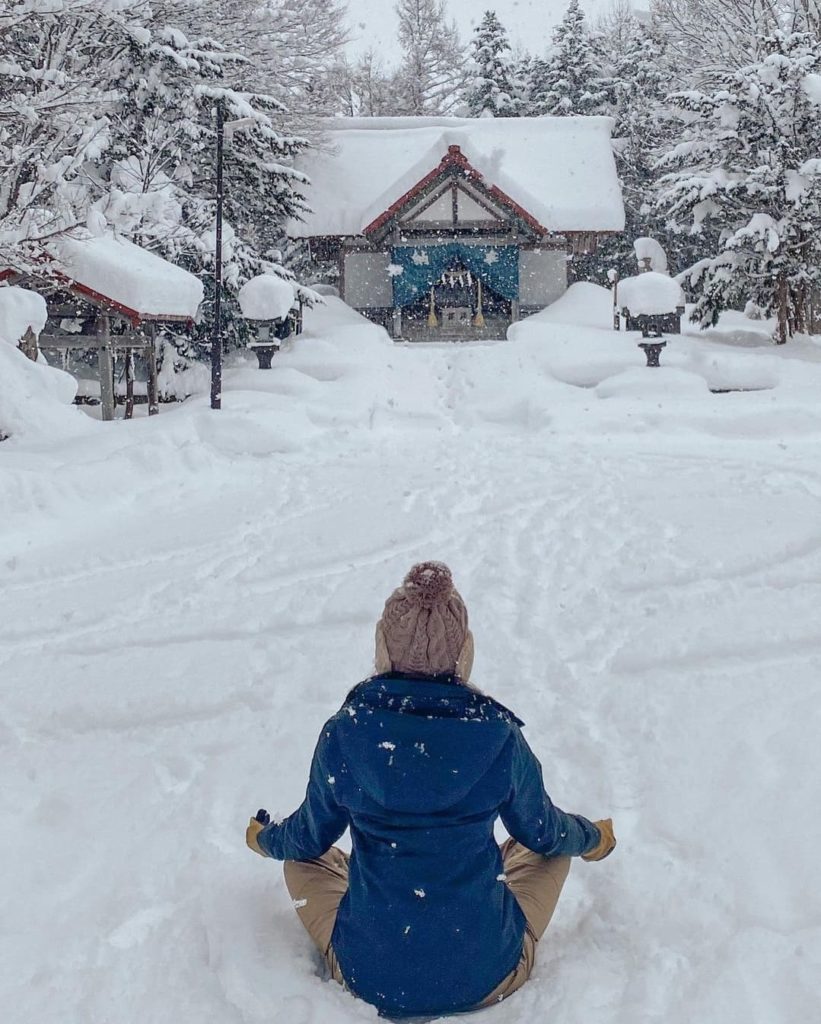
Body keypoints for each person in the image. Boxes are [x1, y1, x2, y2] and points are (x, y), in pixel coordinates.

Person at [246, 561, 615, 1018]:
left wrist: (264, 839)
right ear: (463, 653)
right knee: (552, 845)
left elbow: (305, 838)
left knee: (301, 858)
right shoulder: (497, 736)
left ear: (382, 648)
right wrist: (595, 839)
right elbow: (545, 832)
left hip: (367, 974)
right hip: (488, 972)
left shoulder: (345, 732)